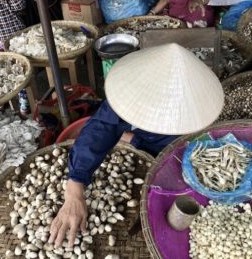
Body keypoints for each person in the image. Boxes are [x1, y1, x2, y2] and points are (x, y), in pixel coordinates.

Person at [48, 43, 224, 247]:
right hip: (146, 142)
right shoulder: (131, 92)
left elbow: (189, 151)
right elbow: (100, 129)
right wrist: (75, 187)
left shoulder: (196, 109)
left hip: (172, 152)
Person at [149, 0, 214, 27]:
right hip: (175, 14)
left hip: (193, 11)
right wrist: (152, 12)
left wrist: (199, 1)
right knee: (164, 21)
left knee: (199, 16)